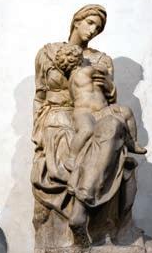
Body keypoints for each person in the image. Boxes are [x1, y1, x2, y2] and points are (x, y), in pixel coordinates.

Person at [32, 4, 140, 247]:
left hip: (97, 113)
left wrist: (110, 86)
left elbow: (108, 100)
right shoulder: (48, 53)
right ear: (76, 21)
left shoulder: (102, 60)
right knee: (81, 141)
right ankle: (79, 217)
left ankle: (88, 218)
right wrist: (38, 133)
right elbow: (39, 96)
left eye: (98, 28)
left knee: (112, 131)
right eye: (90, 23)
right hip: (58, 117)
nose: (93, 30)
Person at [53, 43, 146, 171]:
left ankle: (132, 142)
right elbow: (100, 70)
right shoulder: (82, 73)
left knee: (126, 111)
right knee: (86, 130)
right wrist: (102, 68)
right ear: (79, 59)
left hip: (102, 111)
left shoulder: (80, 74)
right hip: (84, 113)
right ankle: (72, 156)